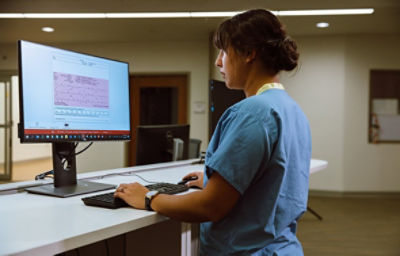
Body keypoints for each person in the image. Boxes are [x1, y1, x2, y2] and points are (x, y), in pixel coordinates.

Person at [114, 9, 311, 256]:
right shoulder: (291, 109)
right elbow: (274, 183)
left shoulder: (251, 112)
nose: (219, 62)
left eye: (224, 52)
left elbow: (210, 207)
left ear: (249, 53)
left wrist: (148, 197)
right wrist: (217, 181)